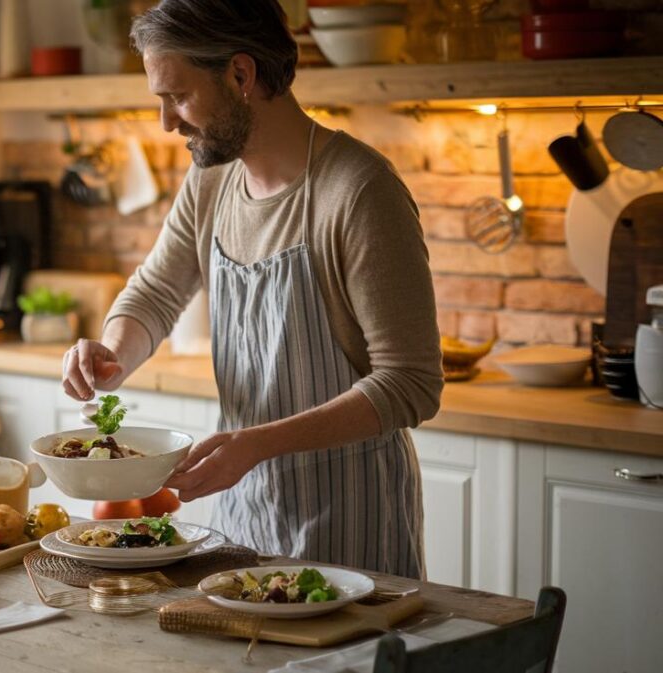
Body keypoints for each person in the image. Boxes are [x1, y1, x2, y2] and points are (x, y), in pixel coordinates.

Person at [59, 0, 442, 579]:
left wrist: (258, 443)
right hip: (244, 513)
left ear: (241, 75)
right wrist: (112, 352)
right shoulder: (212, 178)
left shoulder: (358, 191)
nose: (167, 122)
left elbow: (412, 383)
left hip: (352, 518)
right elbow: (157, 291)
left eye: (179, 96)